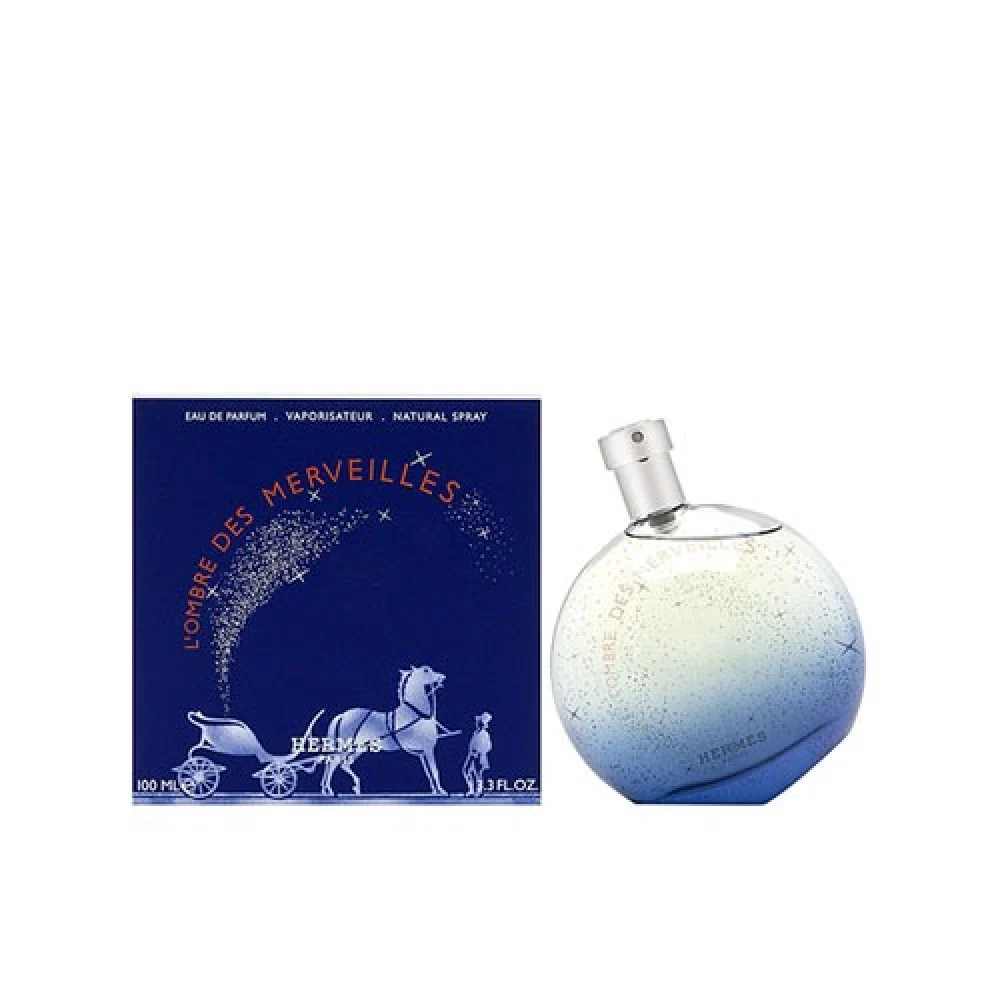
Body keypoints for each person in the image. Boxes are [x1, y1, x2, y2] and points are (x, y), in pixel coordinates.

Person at [462, 712, 493, 797]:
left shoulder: (484, 734)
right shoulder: (475, 733)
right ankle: (472, 790)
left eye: (479, 722)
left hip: (479, 755)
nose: (477, 724)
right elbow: (472, 744)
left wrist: (480, 753)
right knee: (466, 771)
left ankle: (479, 791)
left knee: (477, 773)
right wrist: (471, 753)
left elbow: (488, 746)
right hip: (472, 755)